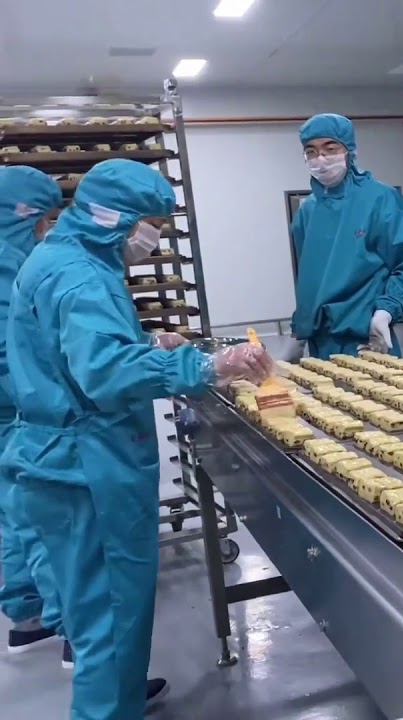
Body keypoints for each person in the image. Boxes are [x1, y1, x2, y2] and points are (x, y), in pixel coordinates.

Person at [0, 159, 274, 719]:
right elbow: (102, 373)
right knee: (111, 622)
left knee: (97, 619)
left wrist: (145, 343)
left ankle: (116, 699)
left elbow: (71, 349)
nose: (152, 239)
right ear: (115, 216)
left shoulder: (64, 259)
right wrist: (208, 366)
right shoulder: (78, 274)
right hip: (88, 468)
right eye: (152, 225)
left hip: (57, 458)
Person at [286, 113, 403, 360]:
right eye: (311, 151)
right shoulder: (308, 211)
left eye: (330, 148)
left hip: (367, 337)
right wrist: (299, 331)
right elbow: (310, 281)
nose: (320, 158)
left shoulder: (379, 199)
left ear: (348, 150)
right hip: (319, 341)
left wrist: (385, 311)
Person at [0, 167, 64, 656]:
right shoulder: (16, 265)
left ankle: (28, 615)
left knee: (14, 512)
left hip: (10, 411)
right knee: (47, 519)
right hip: (22, 408)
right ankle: (75, 635)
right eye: (49, 218)